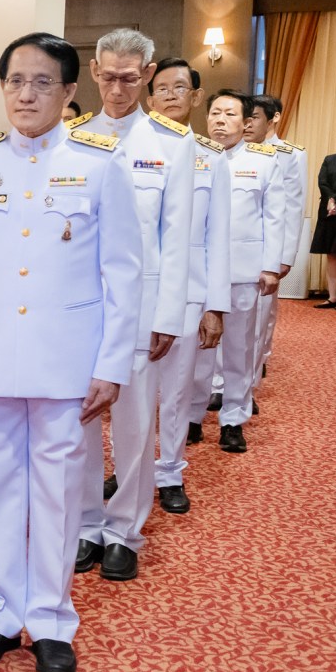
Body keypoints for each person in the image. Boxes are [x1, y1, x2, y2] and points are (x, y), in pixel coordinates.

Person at [0, 32, 142, 672]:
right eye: (14, 81)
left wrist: (112, 365)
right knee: (0, 492)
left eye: (41, 82)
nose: (26, 93)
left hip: (66, 363)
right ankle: (3, 610)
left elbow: (124, 273)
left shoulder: (99, 162)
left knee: (57, 495)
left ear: (68, 92)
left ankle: (53, 618)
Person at [72, 29, 193, 584]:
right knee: (78, 422)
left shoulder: (172, 143)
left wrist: (170, 316)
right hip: (79, 306)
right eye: (107, 75)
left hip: (142, 307)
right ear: (94, 72)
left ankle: (124, 530)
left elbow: (178, 236)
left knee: (133, 423)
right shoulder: (71, 137)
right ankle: (86, 524)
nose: (117, 87)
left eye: (129, 77)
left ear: (146, 75)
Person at [145, 58, 229, 514]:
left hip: (189, 290)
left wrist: (215, 305)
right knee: (129, 390)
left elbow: (218, 235)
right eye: (162, 88)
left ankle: (169, 470)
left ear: (196, 96)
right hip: (135, 290)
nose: (171, 94)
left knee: (176, 389)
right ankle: (128, 467)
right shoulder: (125, 147)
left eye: (181, 87)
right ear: (149, 95)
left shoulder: (210, 158)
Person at [193, 91, 285, 454]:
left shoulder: (263, 162)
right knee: (196, 351)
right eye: (214, 112)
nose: (219, 120)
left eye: (229, 114)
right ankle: (192, 415)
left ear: (246, 122)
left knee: (238, 349)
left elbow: (274, 217)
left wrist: (270, 267)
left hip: (242, 271)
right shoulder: (192, 157)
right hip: (197, 271)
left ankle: (233, 419)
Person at [250, 94, 306, 394]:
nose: (248, 122)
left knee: (264, 311)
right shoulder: (232, 149)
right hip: (240, 243)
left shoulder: (290, 154)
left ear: (273, 118)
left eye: (256, 116)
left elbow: (293, 207)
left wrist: (286, 255)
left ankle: (260, 359)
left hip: (270, 244)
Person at [309, 125, 336, 307]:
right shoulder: (330, 159)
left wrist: (335, 199)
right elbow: (322, 181)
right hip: (329, 212)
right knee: (331, 255)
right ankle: (332, 297)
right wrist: (330, 200)